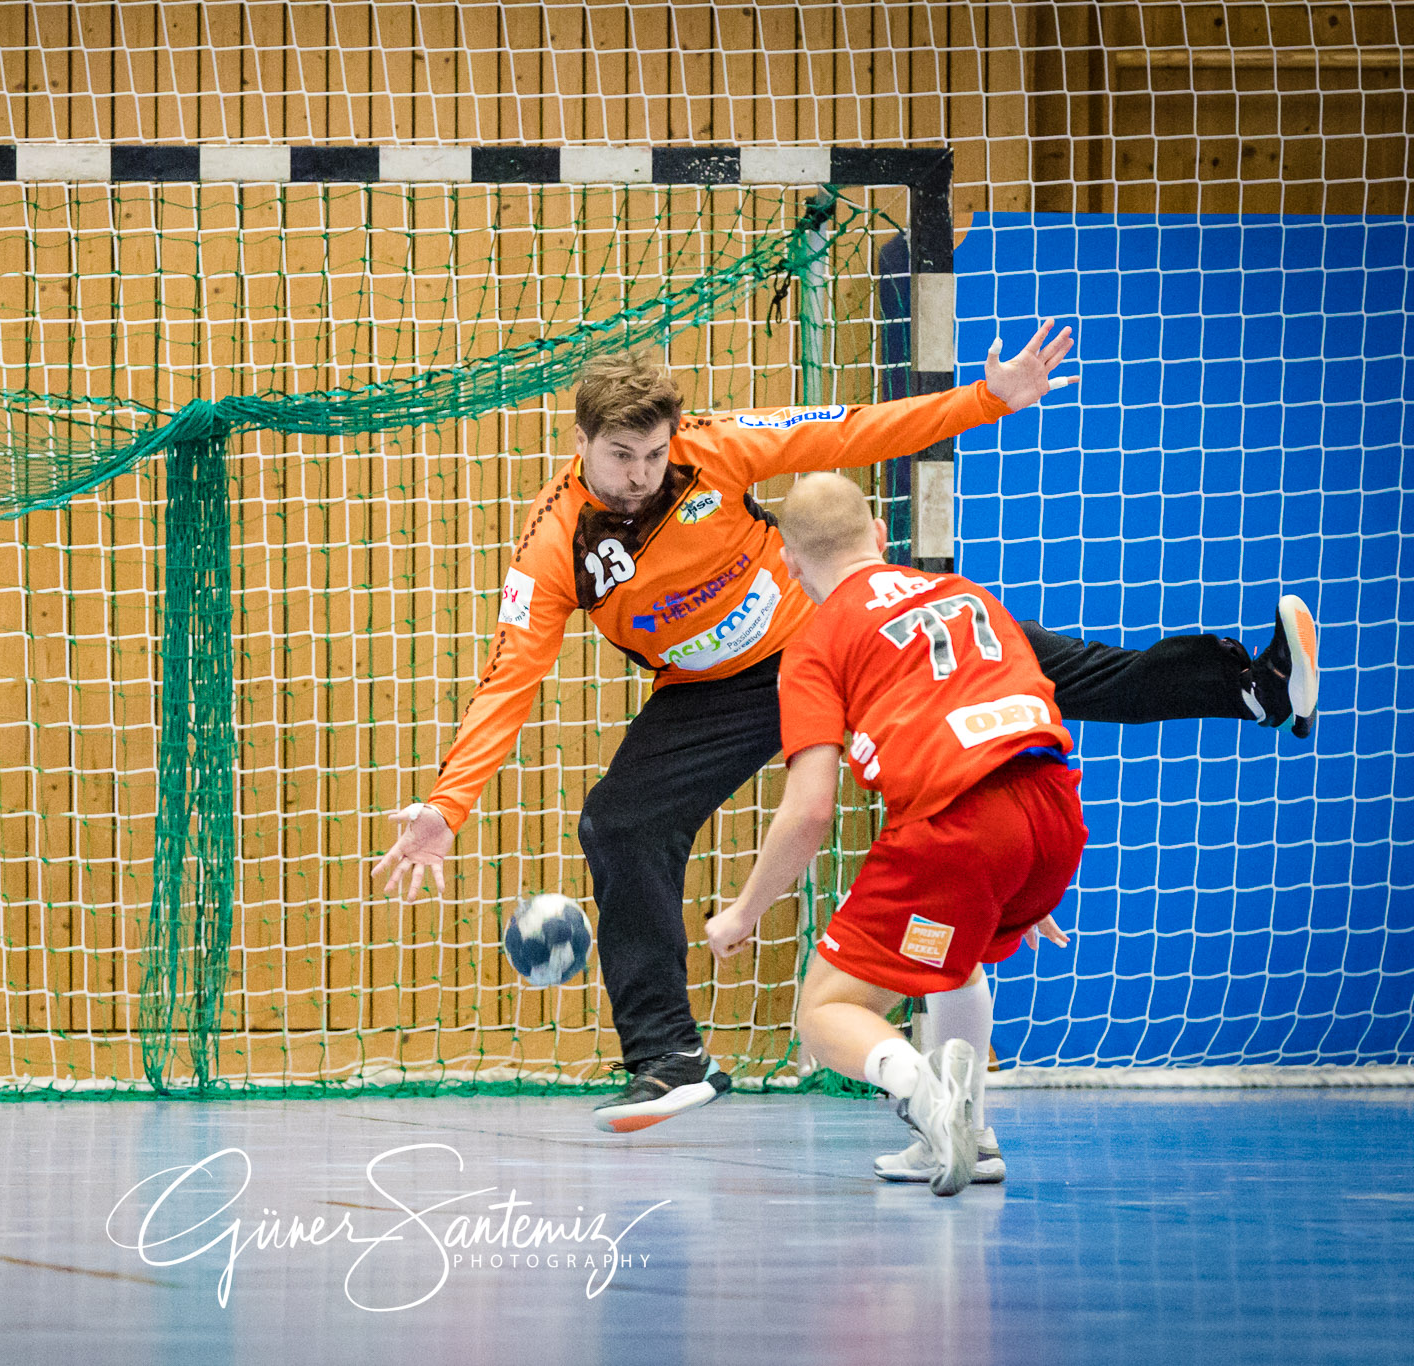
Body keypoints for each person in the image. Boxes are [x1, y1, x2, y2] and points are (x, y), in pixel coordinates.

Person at [371, 327, 1321, 1135]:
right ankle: (668, 1056)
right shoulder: (556, 547)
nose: (643, 475)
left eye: (656, 454)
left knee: (1048, 667)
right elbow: (511, 678)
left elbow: (854, 430)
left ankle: (1254, 686)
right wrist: (449, 808)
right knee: (619, 821)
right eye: (623, 458)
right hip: (709, 694)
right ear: (582, 443)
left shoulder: (717, 447)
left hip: (829, 636)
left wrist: (986, 399)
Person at [705, 471, 1090, 1195]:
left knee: (826, 1012)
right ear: (881, 536)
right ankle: (971, 1136)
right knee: (956, 957)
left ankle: (928, 1101)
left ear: (788, 563)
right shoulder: (968, 594)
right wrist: (1020, 873)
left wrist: (744, 912)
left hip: (959, 825)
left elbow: (810, 809)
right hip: (1053, 809)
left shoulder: (816, 643)